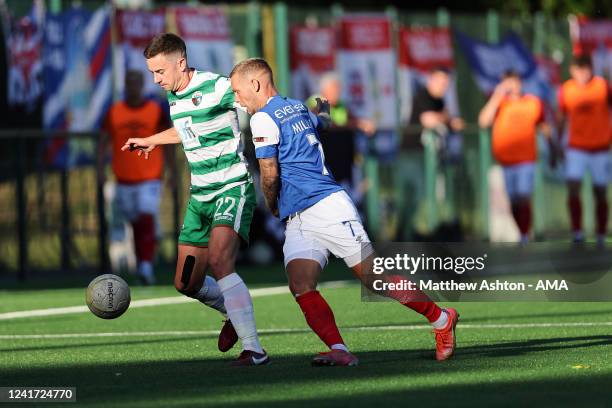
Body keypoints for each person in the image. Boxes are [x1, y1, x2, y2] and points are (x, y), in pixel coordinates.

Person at [230, 58, 459, 367]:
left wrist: (271, 204)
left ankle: (441, 317)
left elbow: (268, 173)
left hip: (326, 206)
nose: (237, 99)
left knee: (374, 277)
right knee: (300, 283)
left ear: (255, 84)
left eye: (237, 91)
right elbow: (321, 122)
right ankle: (339, 348)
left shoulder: (261, 119)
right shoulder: (296, 107)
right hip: (301, 216)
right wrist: (323, 108)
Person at [121, 33, 268, 366]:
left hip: (231, 186)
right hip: (200, 195)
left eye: (160, 72)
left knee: (220, 260)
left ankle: (254, 349)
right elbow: (186, 129)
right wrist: (152, 140)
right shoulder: (174, 95)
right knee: (186, 283)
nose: (156, 80)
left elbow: (259, 97)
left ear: (181, 63)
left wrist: (300, 114)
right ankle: (233, 310)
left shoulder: (216, 86)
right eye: (152, 74)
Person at [99, 70, 167, 285]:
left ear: (142, 85)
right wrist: (100, 170)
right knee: (135, 222)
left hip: (150, 176)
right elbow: (103, 142)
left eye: (137, 82)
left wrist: (172, 171)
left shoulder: (155, 110)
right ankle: (141, 262)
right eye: (129, 82)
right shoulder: (115, 111)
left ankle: (146, 266)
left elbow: (168, 139)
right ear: (125, 85)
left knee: (146, 216)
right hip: (124, 179)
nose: (133, 86)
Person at [478, 70, 553, 244]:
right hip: (506, 160)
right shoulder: (499, 104)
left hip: (526, 159)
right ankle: (522, 231)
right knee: (513, 200)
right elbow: (483, 121)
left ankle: (525, 235)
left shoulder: (532, 103)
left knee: (523, 195)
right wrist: (497, 96)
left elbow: (543, 126)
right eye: (508, 82)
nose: (512, 86)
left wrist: (554, 148)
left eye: (515, 81)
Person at [557, 55, 611, 245]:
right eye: (578, 69)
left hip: (600, 147)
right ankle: (577, 232)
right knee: (573, 186)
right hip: (576, 147)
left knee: (600, 190)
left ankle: (601, 233)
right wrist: (557, 144)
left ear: (591, 68)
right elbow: (561, 118)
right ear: (572, 70)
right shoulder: (567, 90)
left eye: (585, 68)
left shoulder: (602, 86)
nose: (582, 73)